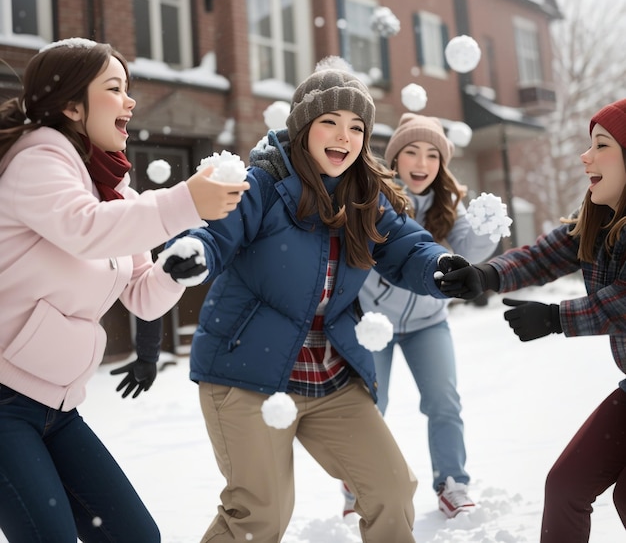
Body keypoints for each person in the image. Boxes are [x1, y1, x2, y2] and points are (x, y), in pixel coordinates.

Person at [160, 57, 473, 542]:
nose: (343, 137)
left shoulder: (366, 193)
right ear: (304, 126)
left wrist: (437, 266)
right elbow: (218, 230)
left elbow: (407, 244)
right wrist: (195, 251)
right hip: (248, 375)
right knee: (261, 514)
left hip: (329, 373)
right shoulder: (261, 182)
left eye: (356, 127)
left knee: (391, 490)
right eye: (329, 121)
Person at [0, 38, 249, 543]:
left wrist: (172, 273)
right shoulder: (37, 161)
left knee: (133, 535)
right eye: (114, 88)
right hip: (5, 400)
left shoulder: (110, 189)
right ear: (72, 105)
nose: (130, 101)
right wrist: (184, 201)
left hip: (59, 407)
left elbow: (138, 293)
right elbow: (85, 228)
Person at [436, 98, 626, 542]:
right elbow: (544, 255)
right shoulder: (598, 220)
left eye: (601, 146)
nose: (585, 156)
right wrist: (485, 274)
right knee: (565, 486)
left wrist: (558, 317)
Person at [340, 113, 497, 520]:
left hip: (429, 323)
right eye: (411, 151)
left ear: (441, 165)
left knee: (443, 401)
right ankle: (358, 486)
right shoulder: (373, 199)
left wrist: (486, 228)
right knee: (372, 404)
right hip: (374, 322)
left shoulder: (449, 206)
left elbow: (470, 254)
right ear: (394, 159)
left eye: (432, 154)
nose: (421, 162)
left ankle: (452, 482)